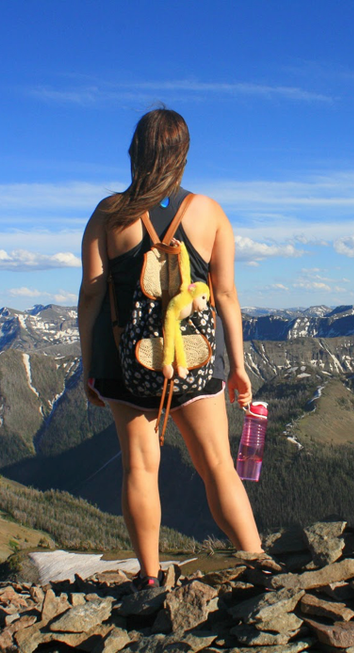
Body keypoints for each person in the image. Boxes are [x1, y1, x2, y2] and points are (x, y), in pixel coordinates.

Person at [77, 108, 263, 587]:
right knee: (218, 464)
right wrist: (238, 367)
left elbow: (92, 294)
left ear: (135, 152)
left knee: (139, 467)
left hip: (127, 366)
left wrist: (88, 366)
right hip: (197, 367)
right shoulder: (209, 212)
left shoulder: (109, 213)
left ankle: (151, 577)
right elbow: (225, 295)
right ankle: (259, 563)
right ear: (182, 155)